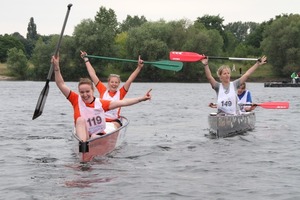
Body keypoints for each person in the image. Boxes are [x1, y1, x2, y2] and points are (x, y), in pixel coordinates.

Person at [52, 55, 151, 142]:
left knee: (97, 135)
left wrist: (142, 98)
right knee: (80, 120)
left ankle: (92, 143)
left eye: (87, 92)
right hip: (85, 131)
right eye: (82, 92)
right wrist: (56, 68)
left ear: (92, 91)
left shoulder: (103, 102)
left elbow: (123, 102)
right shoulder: (76, 99)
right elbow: (61, 84)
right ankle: (83, 146)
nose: (85, 95)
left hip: (106, 126)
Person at [81, 51, 144, 128]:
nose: (114, 84)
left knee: (111, 126)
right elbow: (92, 74)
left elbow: (130, 79)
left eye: (116, 82)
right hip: (100, 119)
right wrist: (86, 59)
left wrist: (139, 67)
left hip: (114, 121)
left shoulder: (121, 93)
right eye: (112, 82)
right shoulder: (102, 90)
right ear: (108, 82)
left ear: (118, 84)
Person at [201, 56, 267, 115]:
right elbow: (209, 77)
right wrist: (205, 65)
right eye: (224, 73)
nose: (227, 75)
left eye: (228, 73)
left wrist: (257, 64)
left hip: (233, 115)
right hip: (221, 116)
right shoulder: (217, 86)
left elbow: (247, 75)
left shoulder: (235, 84)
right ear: (220, 77)